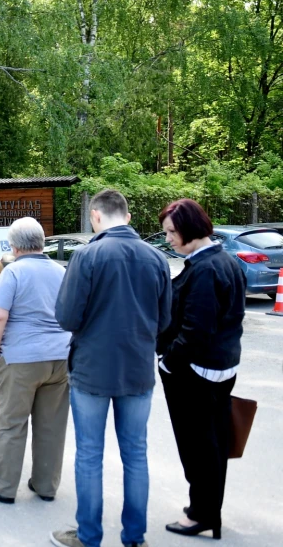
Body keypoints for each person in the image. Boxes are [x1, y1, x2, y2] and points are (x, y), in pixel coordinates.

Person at [51, 189, 172, 547]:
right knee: (136, 453)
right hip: (137, 369)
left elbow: (67, 317)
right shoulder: (156, 259)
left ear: (95, 217)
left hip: (92, 369)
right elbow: (165, 321)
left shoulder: (88, 256)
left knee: (89, 454)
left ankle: (88, 536)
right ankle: (135, 538)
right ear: (128, 217)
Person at [157, 199, 245, 540]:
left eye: (172, 232)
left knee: (197, 448)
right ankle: (206, 509)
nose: (169, 240)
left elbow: (196, 331)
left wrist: (167, 362)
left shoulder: (206, 269)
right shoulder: (224, 261)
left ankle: (203, 514)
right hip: (220, 366)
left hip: (195, 371)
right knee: (212, 445)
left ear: (191, 229)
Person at [0, 217, 71, 505]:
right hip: (59, 357)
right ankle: (46, 485)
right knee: (51, 424)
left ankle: (3, 487)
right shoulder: (60, 271)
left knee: (10, 423)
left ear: (12, 244)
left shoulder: (13, 272)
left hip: (22, 357)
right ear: (42, 241)